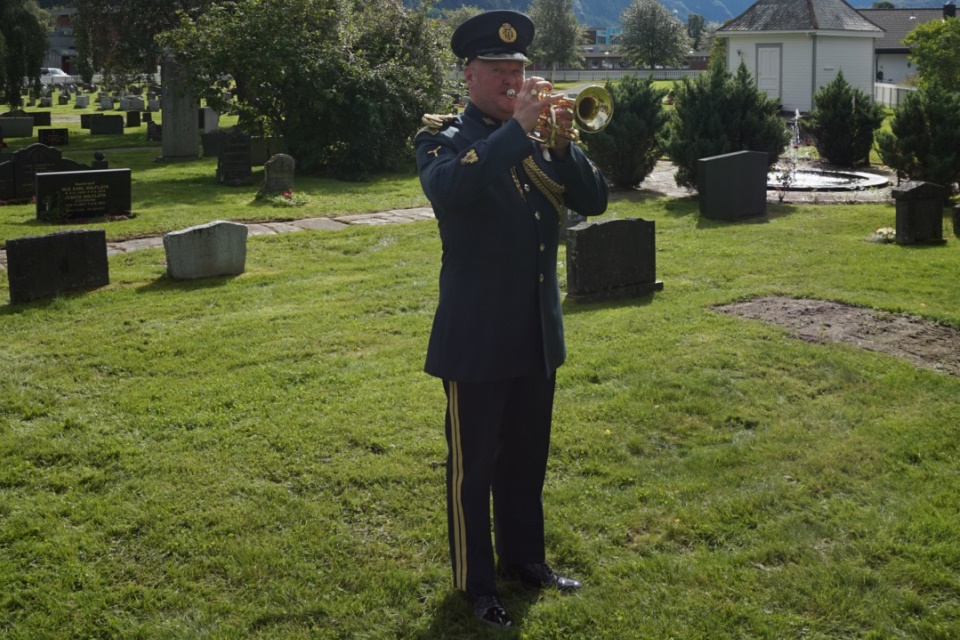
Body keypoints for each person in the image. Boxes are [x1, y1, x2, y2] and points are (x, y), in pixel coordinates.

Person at [414, 10, 609, 629]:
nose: (511, 80)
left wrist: (558, 143)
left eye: (519, 70)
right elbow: (451, 191)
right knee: (474, 470)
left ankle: (527, 561)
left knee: (527, 459)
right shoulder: (442, 138)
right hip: (475, 336)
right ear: (469, 74)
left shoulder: (542, 137)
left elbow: (595, 200)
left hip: (534, 330)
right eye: (498, 70)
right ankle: (475, 584)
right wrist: (516, 130)